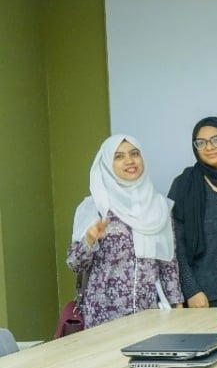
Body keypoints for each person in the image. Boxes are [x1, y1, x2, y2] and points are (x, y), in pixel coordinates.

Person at [67, 134, 183, 328]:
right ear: (106, 163)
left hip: (151, 314)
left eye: (134, 153)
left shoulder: (159, 206)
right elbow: (74, 264)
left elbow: (168, 263)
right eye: (119, 156)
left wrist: (177, 305)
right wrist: (89, 239)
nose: (129, 161)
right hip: (104, 315)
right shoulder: (95, 206)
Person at [169, 116, 217, 308]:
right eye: (201, 143)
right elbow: (175, 243)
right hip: (203, 296)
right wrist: (191, 290)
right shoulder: (185, 184)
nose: (209, 147)